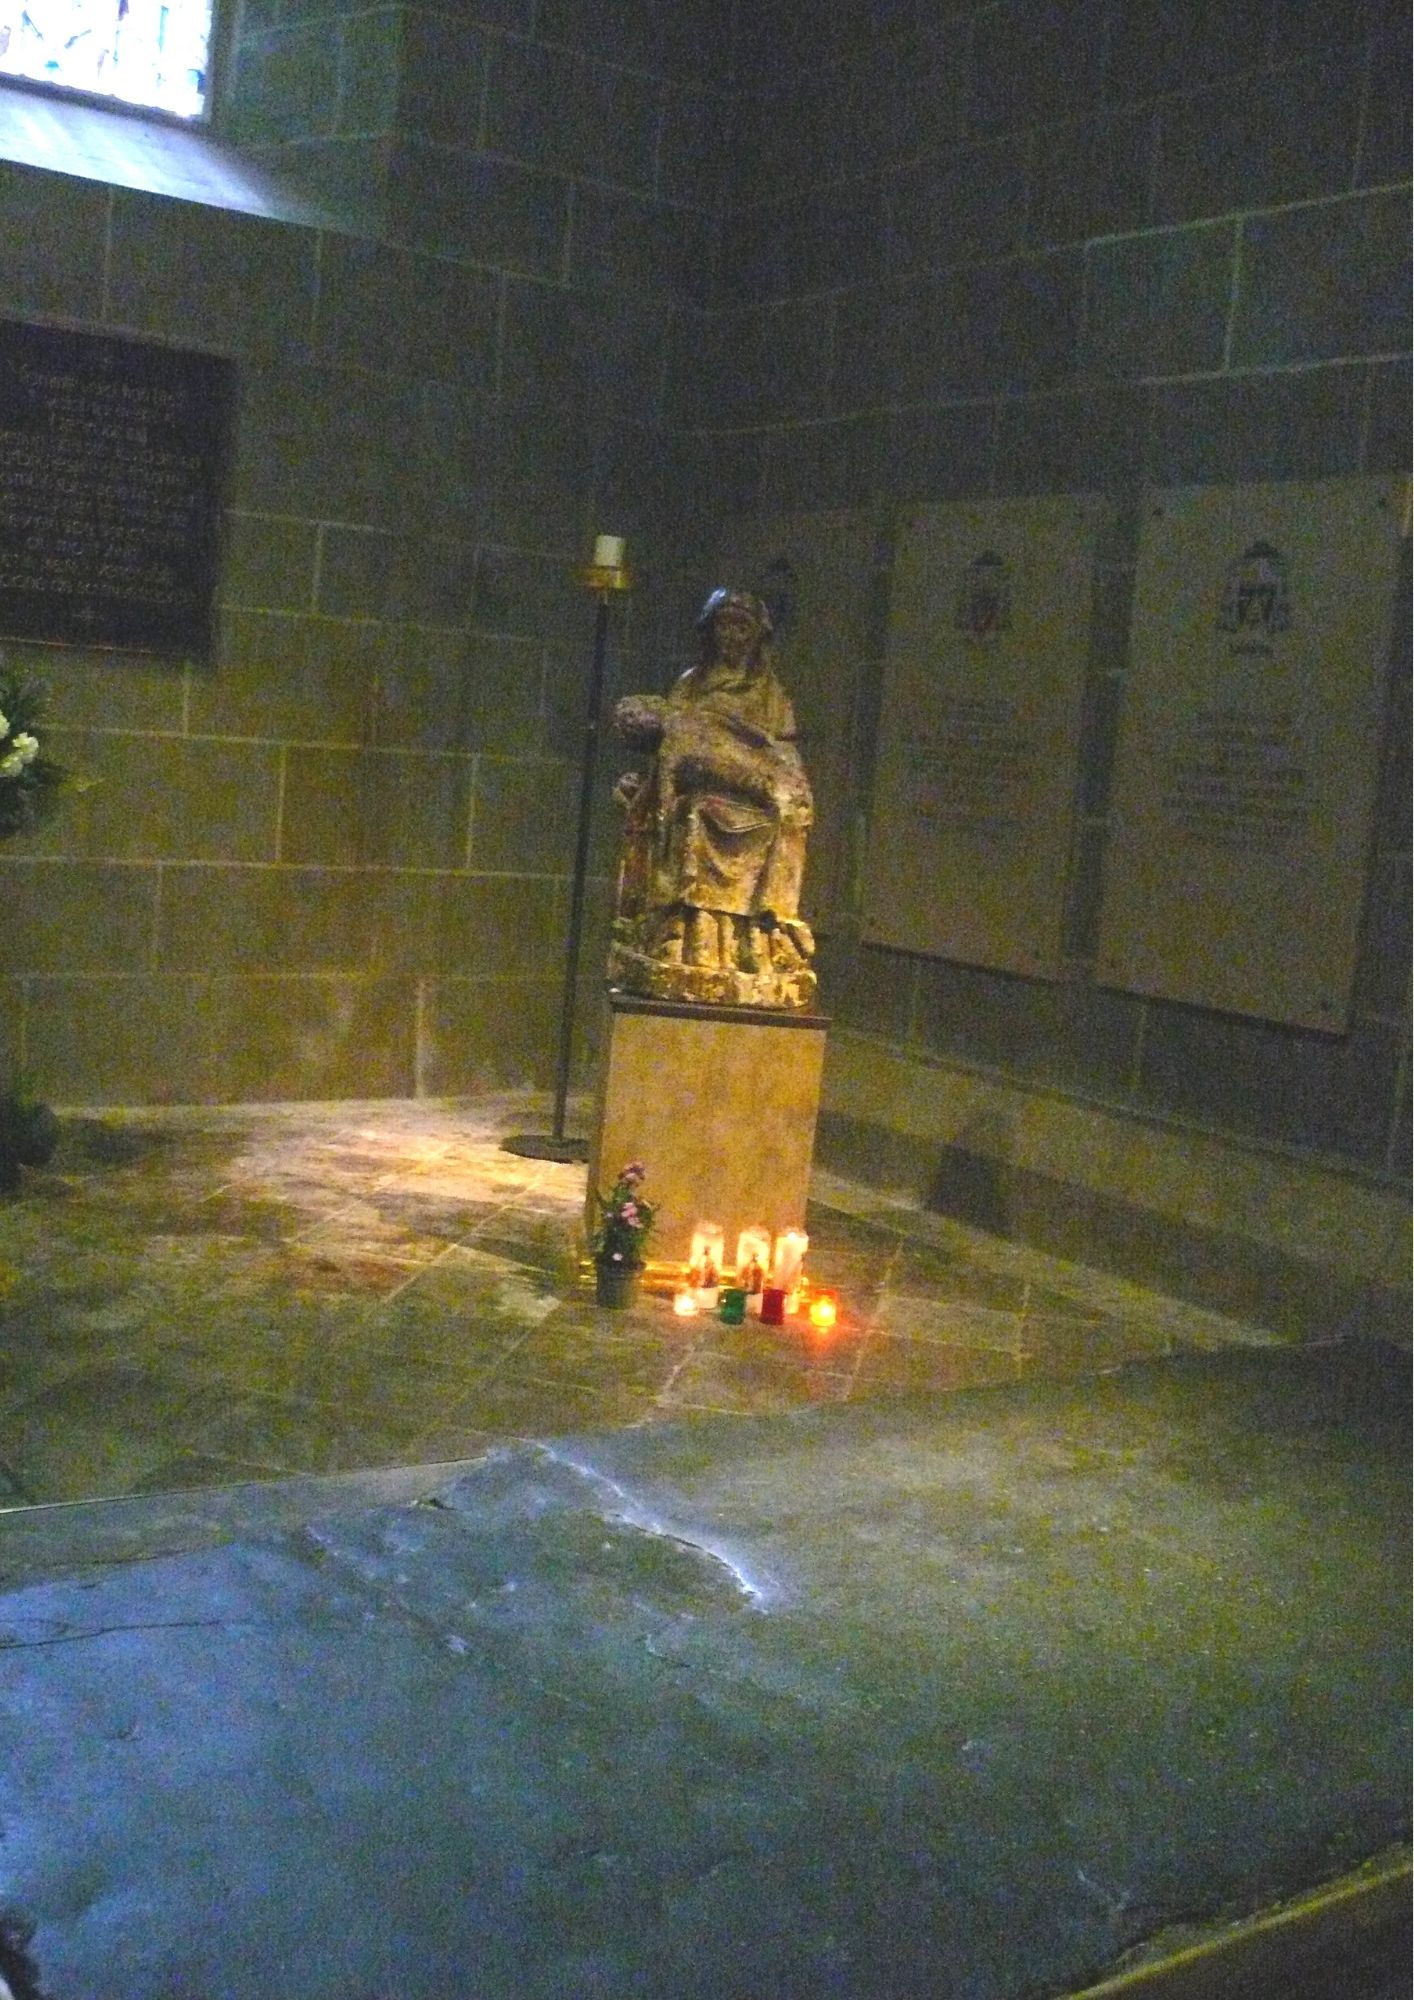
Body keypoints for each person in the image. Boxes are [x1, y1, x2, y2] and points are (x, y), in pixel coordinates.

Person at [609, 587, 816, 1009]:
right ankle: (693, 935)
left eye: (742, 627)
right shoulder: (690, 685)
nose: (732, 636)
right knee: (695, 813)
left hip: (757, 791)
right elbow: (670, 749)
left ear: (757, 636)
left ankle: (758, 941)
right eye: (724, 625)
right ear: (711, 630)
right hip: (701, 796)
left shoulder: (772, 697)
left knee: (786, 814)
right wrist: (643, 786)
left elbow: (783, 754)